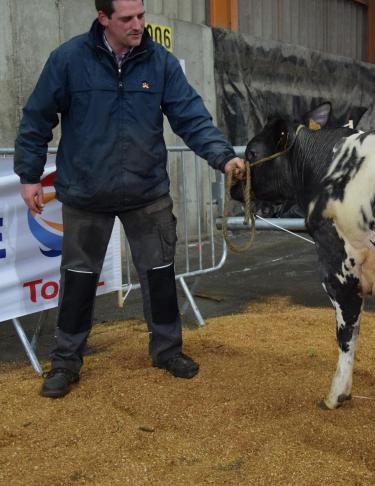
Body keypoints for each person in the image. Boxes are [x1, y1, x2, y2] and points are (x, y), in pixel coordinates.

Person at [14, 0, 245, 398]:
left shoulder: (160, 63)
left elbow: (191, 117)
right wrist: (30, 175)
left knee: (158, 274)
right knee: (79, 280)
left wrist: (224, 158)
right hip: (87, 193)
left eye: (141, 15)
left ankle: (168, 350)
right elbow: (37, 118)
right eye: (127, 18)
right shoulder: (68, 60)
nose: (138, 25)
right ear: (103, 18)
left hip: (146, 192)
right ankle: (66, 362)